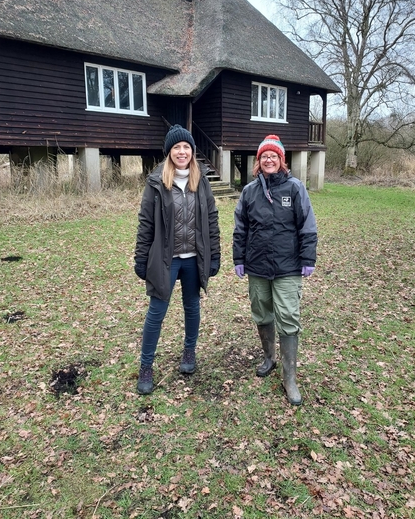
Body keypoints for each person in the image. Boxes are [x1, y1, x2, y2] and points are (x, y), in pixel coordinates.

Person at [134, 124, 221, 395]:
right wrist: (140, 258)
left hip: (194, 259)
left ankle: (189, 353)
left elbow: (211, 220)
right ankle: (146, 366)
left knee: (192, 307)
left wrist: (214, 255)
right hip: (166, 259)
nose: (182, 152)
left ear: (192, 152)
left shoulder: (202, 180)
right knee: (156, 313)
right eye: (176, 147)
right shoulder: (156, 183)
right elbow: (146, 223)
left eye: (186, 147)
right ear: (169, 152)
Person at [233, 135, 317, 406]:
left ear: (282, 161)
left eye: (274, 156)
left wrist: (308, 258)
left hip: (288, 266)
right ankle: (269, 357)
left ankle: (289, 376)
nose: (269, 160)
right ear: (258, 162)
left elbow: (307, 225)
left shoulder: (295, 188)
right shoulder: (249, 192)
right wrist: (239, 259)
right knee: (261, 311)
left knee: (288, 316)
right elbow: (240, 228)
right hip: (257, 265)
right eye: (264, 157)